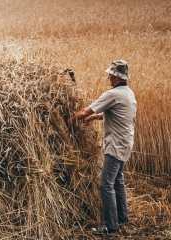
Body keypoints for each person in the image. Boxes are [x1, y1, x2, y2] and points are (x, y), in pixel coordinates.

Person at [67, 60, 136, 234]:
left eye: (110, 74)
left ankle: (111, 226)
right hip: (126, 142)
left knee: (105, 184)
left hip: (115, 145)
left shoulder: (113, 94)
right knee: (118, 180)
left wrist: (71, 120)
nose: (108, 76)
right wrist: (97, 118)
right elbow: (121, 116)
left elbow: (85, 111)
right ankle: (122, 217)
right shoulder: (128, 93)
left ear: (116, 76)